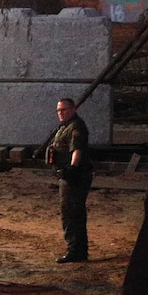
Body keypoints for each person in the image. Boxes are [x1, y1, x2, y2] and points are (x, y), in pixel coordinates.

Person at [48, 97, 94, 264]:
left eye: (64, 110)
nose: (60, 113)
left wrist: (72, 168)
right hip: (67, 175)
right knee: (71, 212)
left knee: (71, 213)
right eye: (58, 111)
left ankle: (75, 250)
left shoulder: (75, 127)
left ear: (73, 109)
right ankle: (77, 248)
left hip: (75, 177)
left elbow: (77, 149)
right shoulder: (65, 126)